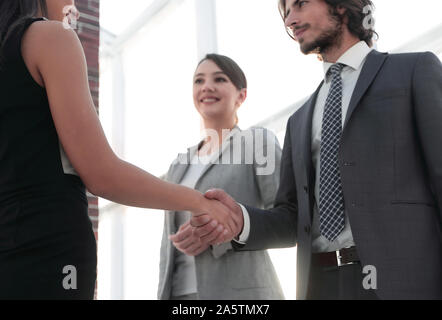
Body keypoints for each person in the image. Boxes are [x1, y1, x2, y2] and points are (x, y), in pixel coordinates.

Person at [186, 0, 442, 299]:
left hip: (404, 281)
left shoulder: (413, 71)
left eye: (301, 4)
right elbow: (293, 217)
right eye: (286, 13)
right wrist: (242, 220)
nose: (290, 19)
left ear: (343, 6)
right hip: (321, 284)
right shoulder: (300, 119)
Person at [0, 0, 235, 299]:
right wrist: (199, 201)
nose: (74, 5)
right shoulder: (50, 38)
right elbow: (102, 175)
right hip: (45, 249)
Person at [158, 54, 284, 300]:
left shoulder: (257, 143)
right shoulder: (178, 165)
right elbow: (168, 245)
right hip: (179, 295)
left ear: (241, 95)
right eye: (198, 81)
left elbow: (287, 219)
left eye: (219, 79)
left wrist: (220, 233)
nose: (207, 86)